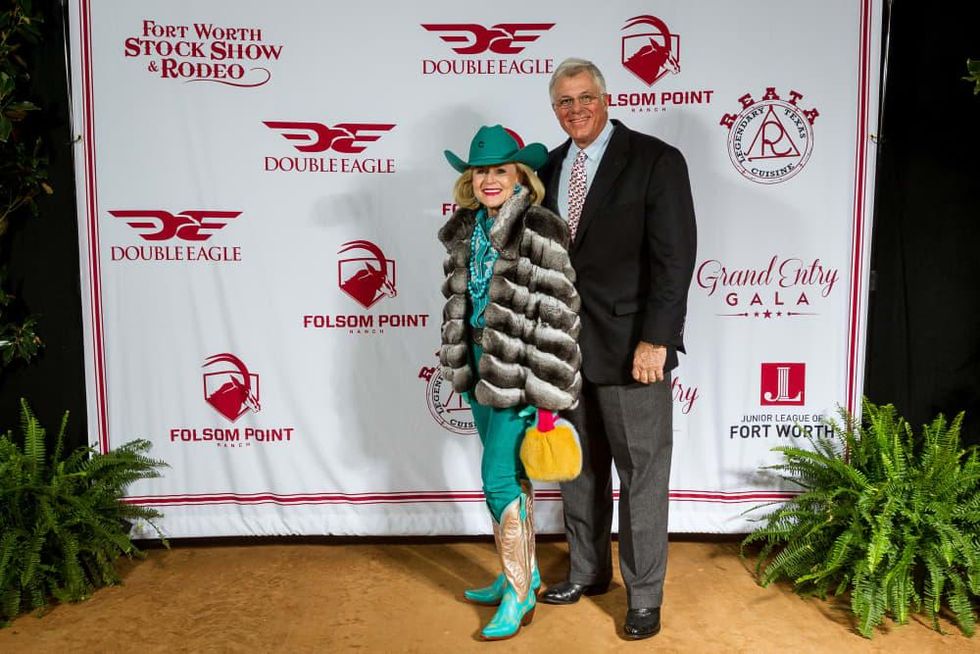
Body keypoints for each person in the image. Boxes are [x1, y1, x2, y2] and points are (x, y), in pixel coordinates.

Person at [536, 58, 697, 640]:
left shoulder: (655, 160)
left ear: (606, 99)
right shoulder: (548, 167)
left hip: (635, 349)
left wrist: (657, 339)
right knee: (577, 470)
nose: (575, 109)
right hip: (566, 350)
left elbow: (674, 260)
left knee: (642, 474)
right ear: (554, 110)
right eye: (563, 102)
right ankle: (587, 570)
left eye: (584, 98)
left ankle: (644, 596)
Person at [437, 125, 582, 641]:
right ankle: (523, 572)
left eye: (500, 170)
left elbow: (559, 316)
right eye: (481, 172)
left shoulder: (539, 226)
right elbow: (463, 298)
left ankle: (520, 595)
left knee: (496, 479)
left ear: (521, 174)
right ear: (470, 181)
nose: (489, 180)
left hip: (517, 373)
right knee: (510, 480)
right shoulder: (467, 228)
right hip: (478, 364)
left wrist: (544, 396)